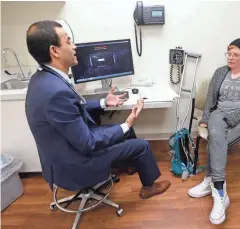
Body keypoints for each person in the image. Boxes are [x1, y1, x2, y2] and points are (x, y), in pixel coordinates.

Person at [25, 20, 170, 199]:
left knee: (126, 133)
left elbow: (71, 109)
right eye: (68, 41)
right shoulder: (56, 91)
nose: (74, 46)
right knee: (142, 145)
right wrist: (127, 123)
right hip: (76, 163)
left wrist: (103, 102)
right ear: (54, 51)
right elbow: (89, 143)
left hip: (63, 153)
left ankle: (130, 163)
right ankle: (149, 187)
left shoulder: (43, 78)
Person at [188, 38, 240, 224]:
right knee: (217, 140)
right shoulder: (220, 72)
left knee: (216, 143)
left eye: (235, 54)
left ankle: (212, 184)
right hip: (219, 114)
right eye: (228, 53)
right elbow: (210, 99)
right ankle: (220, 191)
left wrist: (234, 117)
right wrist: (206, 118)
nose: (230, 58)